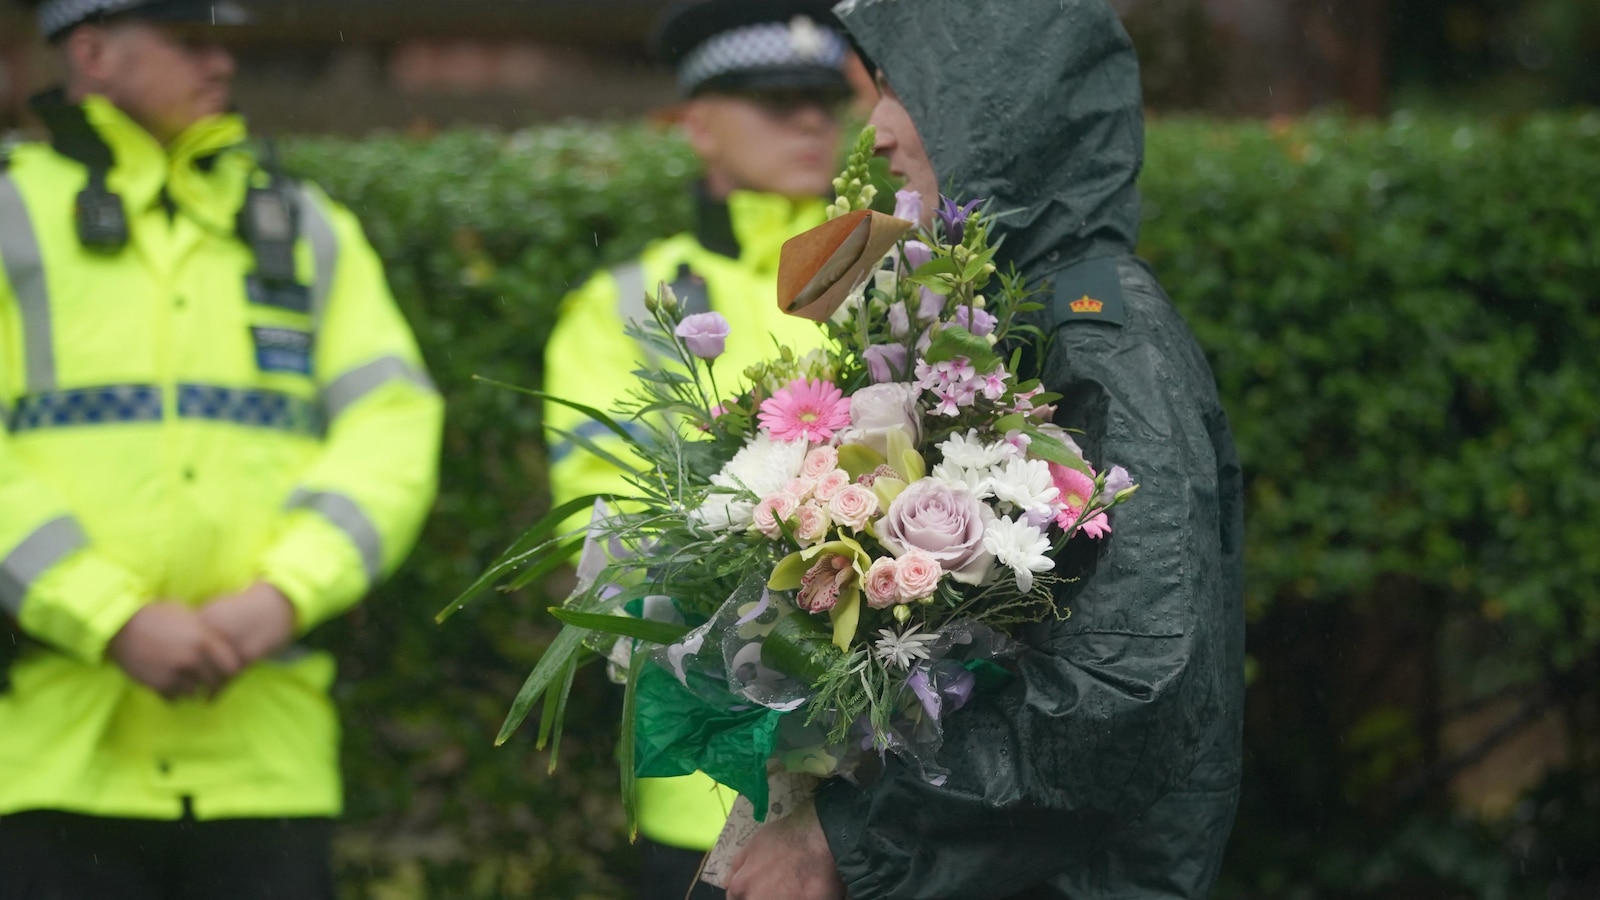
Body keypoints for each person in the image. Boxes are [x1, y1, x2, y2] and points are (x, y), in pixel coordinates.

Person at [724, 1, 1247, 898]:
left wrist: (849, 840)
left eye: (905, 94)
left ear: (1009, 107)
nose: (878, 133)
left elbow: (1125, 696)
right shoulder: (1013, 316)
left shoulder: (1100, 339)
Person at [0, 2, 443, 897]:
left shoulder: (306, 224)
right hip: (45, 754)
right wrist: (107, 615)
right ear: (89, 51)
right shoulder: (11, 216)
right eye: (187, 40)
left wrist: (287, 593)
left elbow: (394, 423)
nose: (220, 63)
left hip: (265, 761)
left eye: (222, 39)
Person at [540, 1, 855, 896]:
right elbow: (611, 531)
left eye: (823, 101)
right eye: (774, 100)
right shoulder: (633, 302)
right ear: (699, 128)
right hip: (707, 789)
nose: (808, 121)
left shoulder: (892, 276)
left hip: (894, 800)